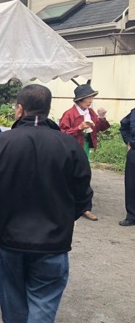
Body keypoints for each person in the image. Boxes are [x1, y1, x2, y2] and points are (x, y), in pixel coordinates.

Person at [0, 84, 93, 323]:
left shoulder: (0, 142)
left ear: (19, 109)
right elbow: (83, 195)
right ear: (48, 110)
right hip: (53, 240)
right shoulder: (68, 145)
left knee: (12, 290)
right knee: (44, 298)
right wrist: (63, 219)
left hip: (9, 236)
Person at [59, 84, 109, 221]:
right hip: (72, 149)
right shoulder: (69, 114)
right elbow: (62, 134)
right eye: (88, 98)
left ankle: (86, 208)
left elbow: (100, 128)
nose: (90, 101)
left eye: (91, 98)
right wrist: (79, 128)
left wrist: (102, 117)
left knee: (85, 177)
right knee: (69, 176)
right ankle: (67, 205)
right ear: (80, 99)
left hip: (84, 147)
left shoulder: (90, 112)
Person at [119, 107, 135, 226]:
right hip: (134, 151)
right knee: (131, 184)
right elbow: (123, 126)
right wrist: (128, 141)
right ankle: (131, 216)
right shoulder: (134, 112)